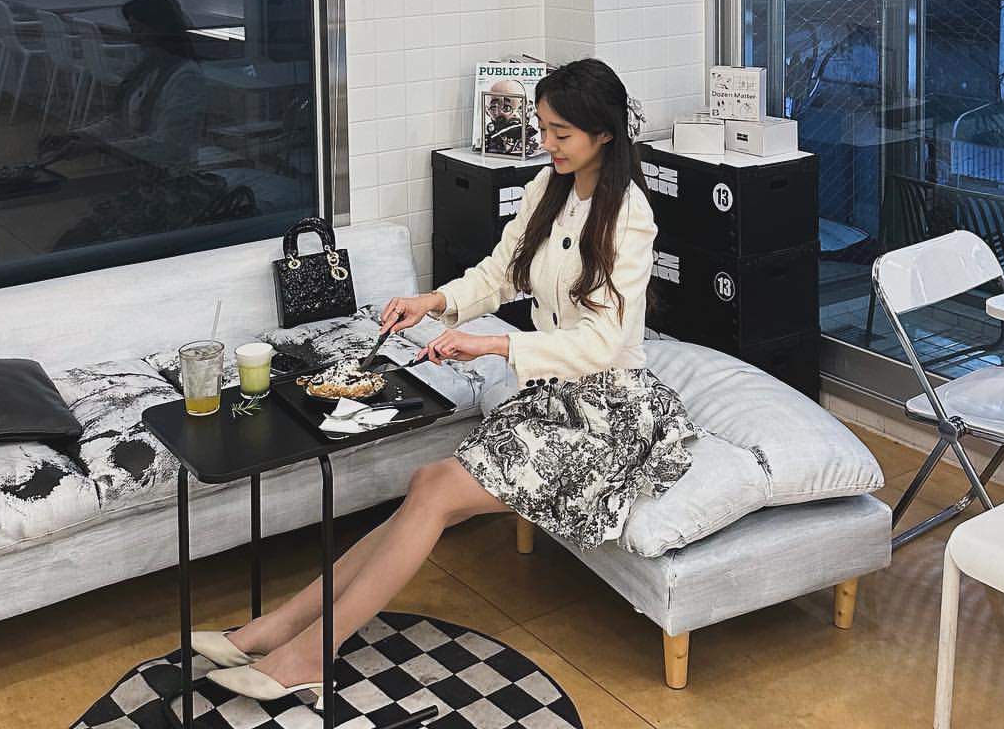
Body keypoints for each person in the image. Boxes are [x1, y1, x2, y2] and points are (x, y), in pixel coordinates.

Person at [193, 58, 696, 705]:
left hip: (607, 418)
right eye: (542, 127)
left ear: (603, 134)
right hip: (551, 399)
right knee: (427, 483)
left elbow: (607, 343)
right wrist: (432, 302)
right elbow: (501, 273)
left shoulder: (628, 216)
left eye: (560, 133)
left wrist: (493, 343)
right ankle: (275, 630)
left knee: (433, 494)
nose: (545, 142)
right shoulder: (549, 187)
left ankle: (306, 656)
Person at [42, 0, 205, 171]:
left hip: (172, 174)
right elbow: (122, 123)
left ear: (160, 28)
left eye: (139, 29)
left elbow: (169, 147)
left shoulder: (185, 77)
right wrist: (76, 136)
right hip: (141, 169)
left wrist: (98, 147)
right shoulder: (150, 68)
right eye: (132, 29)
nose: (135, 38)